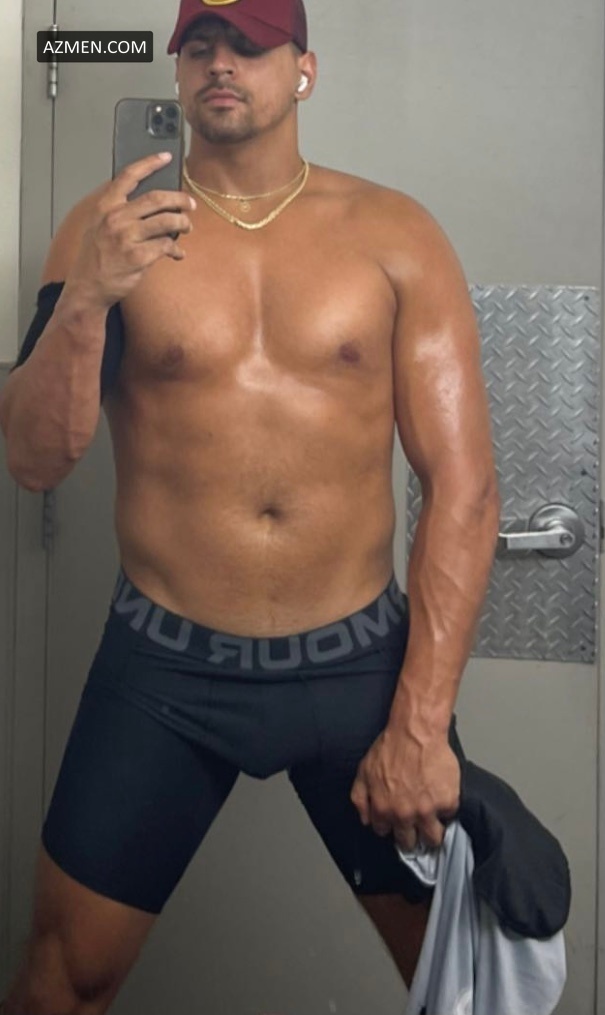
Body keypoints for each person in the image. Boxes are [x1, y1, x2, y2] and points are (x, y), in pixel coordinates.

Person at [0, 1, 501, 1012]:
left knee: (467, 984)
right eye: (199, 44)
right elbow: (33, 460)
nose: (220, 62)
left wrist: (419, 722)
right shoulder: (106, 230)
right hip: (164, 669)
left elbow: (462, 485)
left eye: (249, 44)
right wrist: (88, 296)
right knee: (59, 985)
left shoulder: (394, 234)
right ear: (178, 70)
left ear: (302, 70)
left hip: (358, 669)